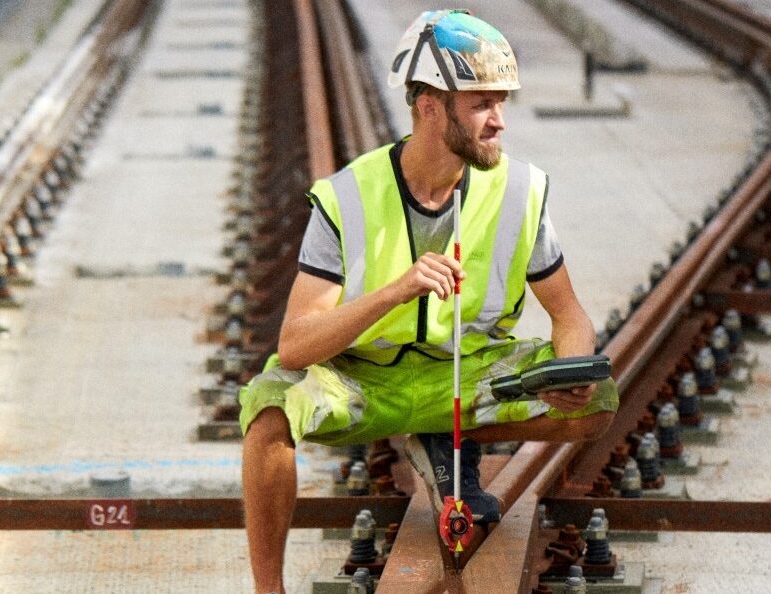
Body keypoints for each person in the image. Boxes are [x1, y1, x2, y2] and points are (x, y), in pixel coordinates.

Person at [238, 9, 618, 593]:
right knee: (269, 411)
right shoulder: (347, 197)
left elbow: (569, 315)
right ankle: (268, 589)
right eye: (482, 104)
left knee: (600, 399)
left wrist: (571, 368)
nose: (499, 122)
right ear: (429, 107)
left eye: (502, 102)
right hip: (367, 383)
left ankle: (442, 435)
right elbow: (294, 346)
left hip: (467, 379)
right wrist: (398, 290)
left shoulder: (518, 189)